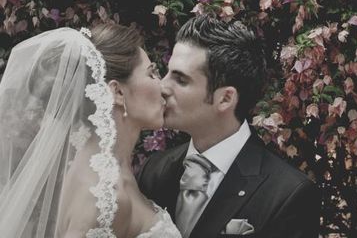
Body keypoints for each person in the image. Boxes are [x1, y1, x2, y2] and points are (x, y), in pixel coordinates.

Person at [138, 15, 320, 238]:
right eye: (166, 73)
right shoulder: (154, 171)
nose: (163, 87)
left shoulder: (288, 194)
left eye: (181, 80)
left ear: (225, 99)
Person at [0, 24, 182, 238]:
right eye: (151, 74)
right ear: (117, 92)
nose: (162, 86)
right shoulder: (104, 196)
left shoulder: (104, 171)